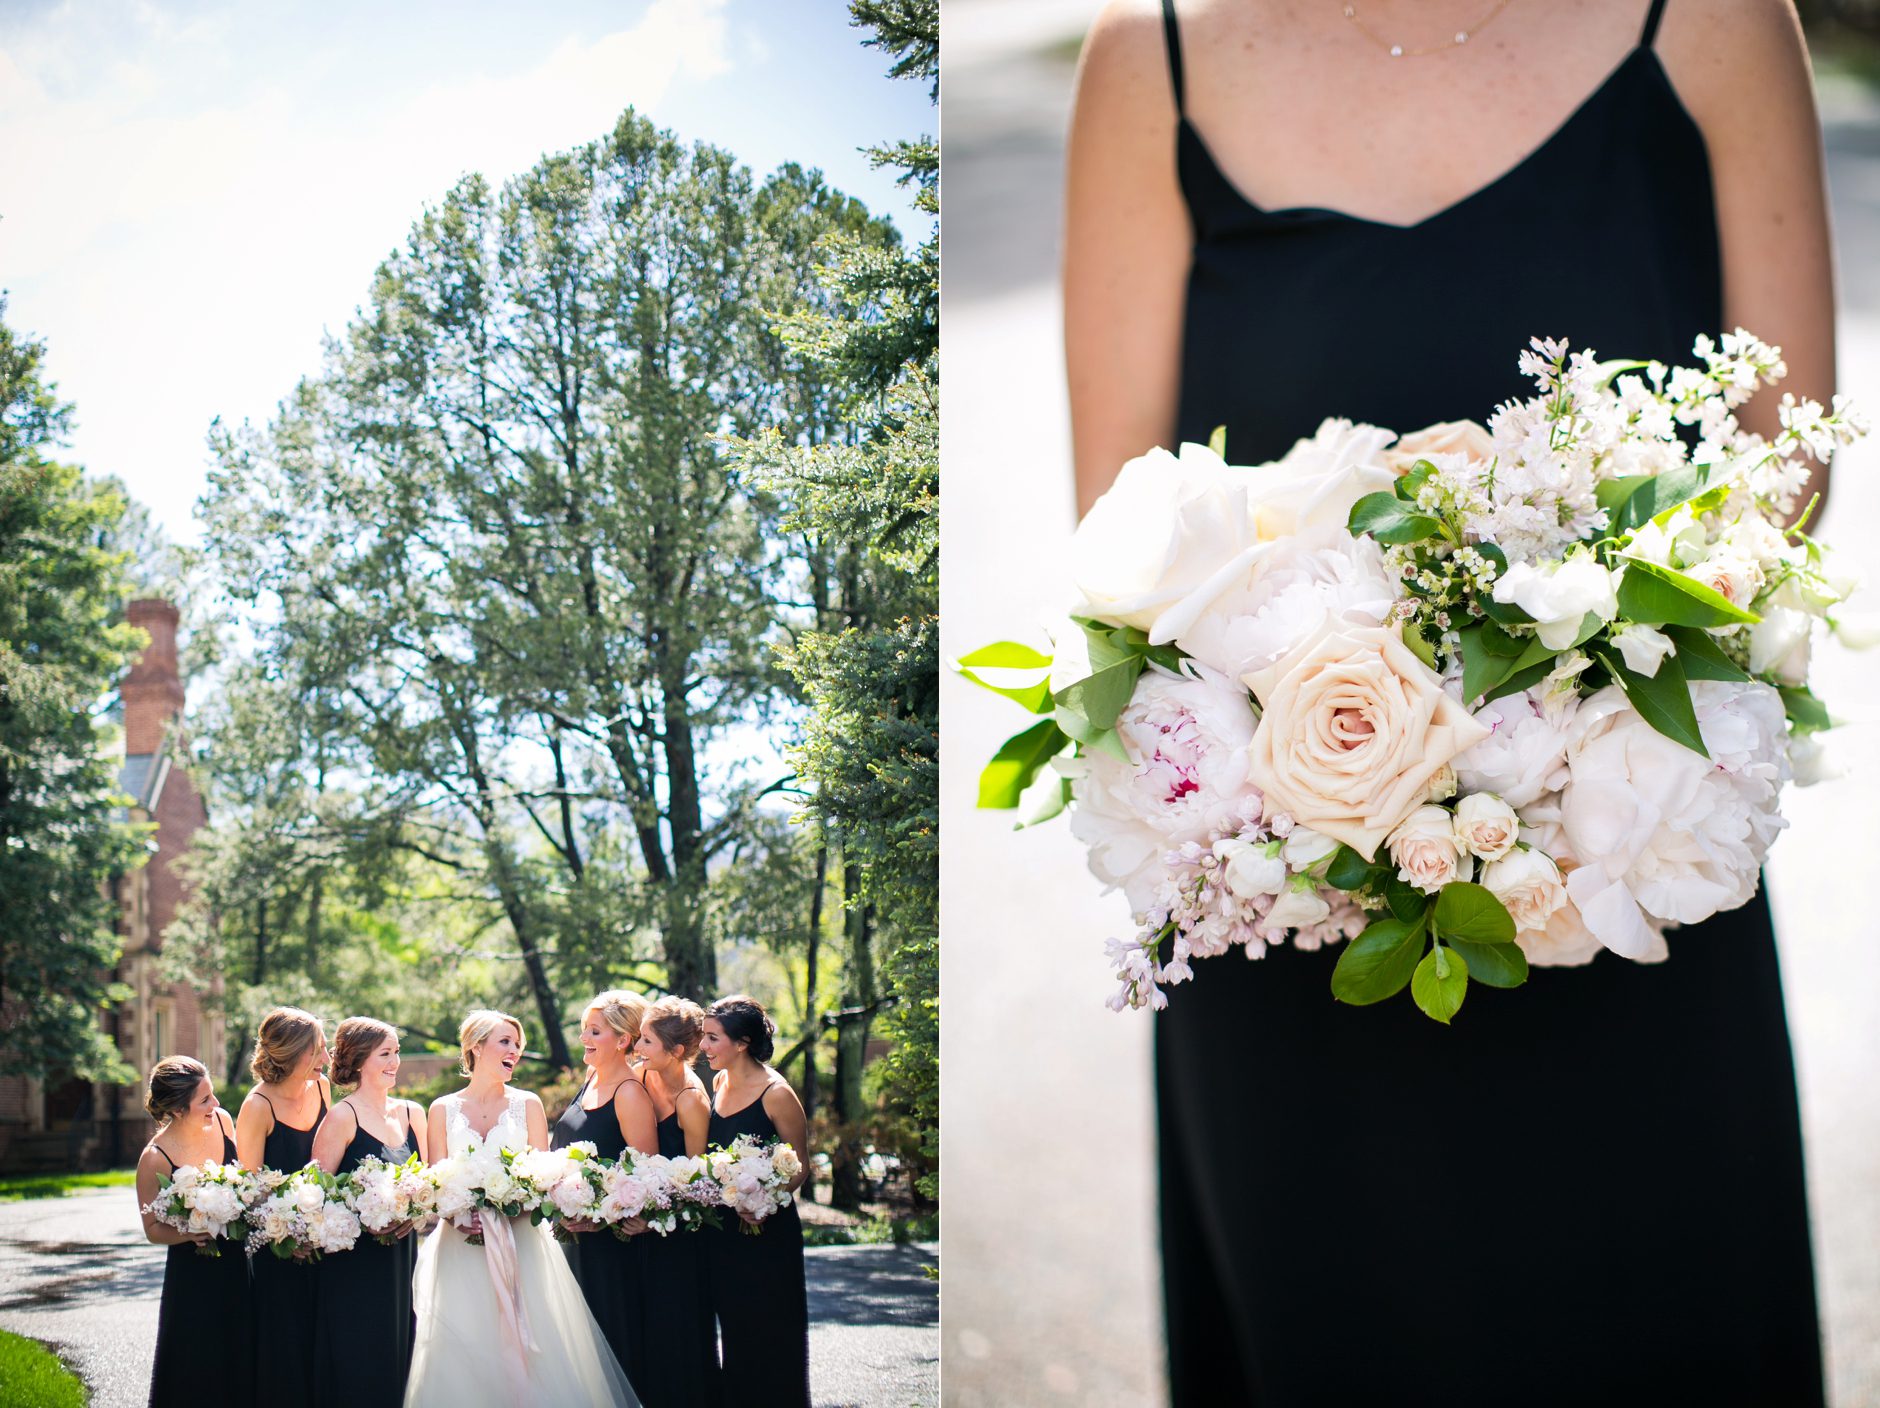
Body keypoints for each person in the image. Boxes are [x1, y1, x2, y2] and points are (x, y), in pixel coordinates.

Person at [1063, 1, 1834, 1403]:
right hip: (1295, 911)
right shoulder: (1150, 56)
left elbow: (1780, 477)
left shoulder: (1712, 23)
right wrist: (1356, 742)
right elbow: (1119, 540)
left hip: (1620, 879)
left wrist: (1556, 726)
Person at [404, 1009, 639, 1407]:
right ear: (476, 1047)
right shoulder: (442, 1108)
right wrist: (456, 1214)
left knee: (538, 1345)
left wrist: (519, 1204)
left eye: (517, 1045)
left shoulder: (527, 1104)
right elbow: (435, 1179)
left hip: (523, 1243)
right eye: (505, 1042)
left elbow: (543, 1175)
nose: (515, 1051)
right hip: (460, 1249)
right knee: (465, 1344)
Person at [311, 1017, 427, 1405]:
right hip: (355, 1266)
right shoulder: (342, 1117)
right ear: (360, 1060)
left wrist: (415, 1213)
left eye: (397, 1052)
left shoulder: (412, 1113)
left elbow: (429, 1185)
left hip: (402, 1258)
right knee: (361, 1363)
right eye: (385, 1054)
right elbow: (316, 1197)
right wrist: (364, 1218)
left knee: (401, 1356)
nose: (395, 1062)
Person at [702, 995, 810, 1407]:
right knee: (735, 1332)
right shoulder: (718, 1083)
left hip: (769, 1234)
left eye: (713, 1038)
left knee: (772, 1332)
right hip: (725, 1234)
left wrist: (763, 1202)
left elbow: (800, 1166)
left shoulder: (776, 1093)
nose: (704, 1046)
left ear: (742, 1042)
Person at [549, 991, 660, 1389]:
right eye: (584, 1030)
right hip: (573, 1238)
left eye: (594, 1031)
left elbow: (648, 1176)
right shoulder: (592, 1079)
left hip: (610, 1249)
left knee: (610, 1351)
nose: (584, 1039)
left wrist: (600, 1216)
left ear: (623, 1040)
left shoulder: (629, 1093)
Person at [136, 1055, 254, 1407]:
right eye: (204, 1099)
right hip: (193, 1276)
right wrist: (189, 1232)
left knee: (241, 1361)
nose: (215, 1104)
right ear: (177, 1109)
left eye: (212, 1094)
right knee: (195, 1368)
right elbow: (152, 1228)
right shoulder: (155, 1158)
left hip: (237, 1264)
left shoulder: (222, 1121)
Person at [235, 1006, 330, 1407]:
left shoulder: (322, 1088)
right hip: (278, 1250)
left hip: (325, 1240)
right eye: (318, 1049)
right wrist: (288, 1235)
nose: (326, 1057)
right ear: (293, 1052)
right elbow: (249, 1192)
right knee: (285, 1348)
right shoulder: (257, 1106)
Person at [631, 996, 719, 1406]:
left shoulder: (690, 1099)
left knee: (676, 1334)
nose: (637, 1048)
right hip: (639, 1228)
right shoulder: (642, 1076)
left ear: (677, 1051)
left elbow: (699, 1186)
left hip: (679, 1239)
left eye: (647, 1041)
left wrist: (655, 1220)